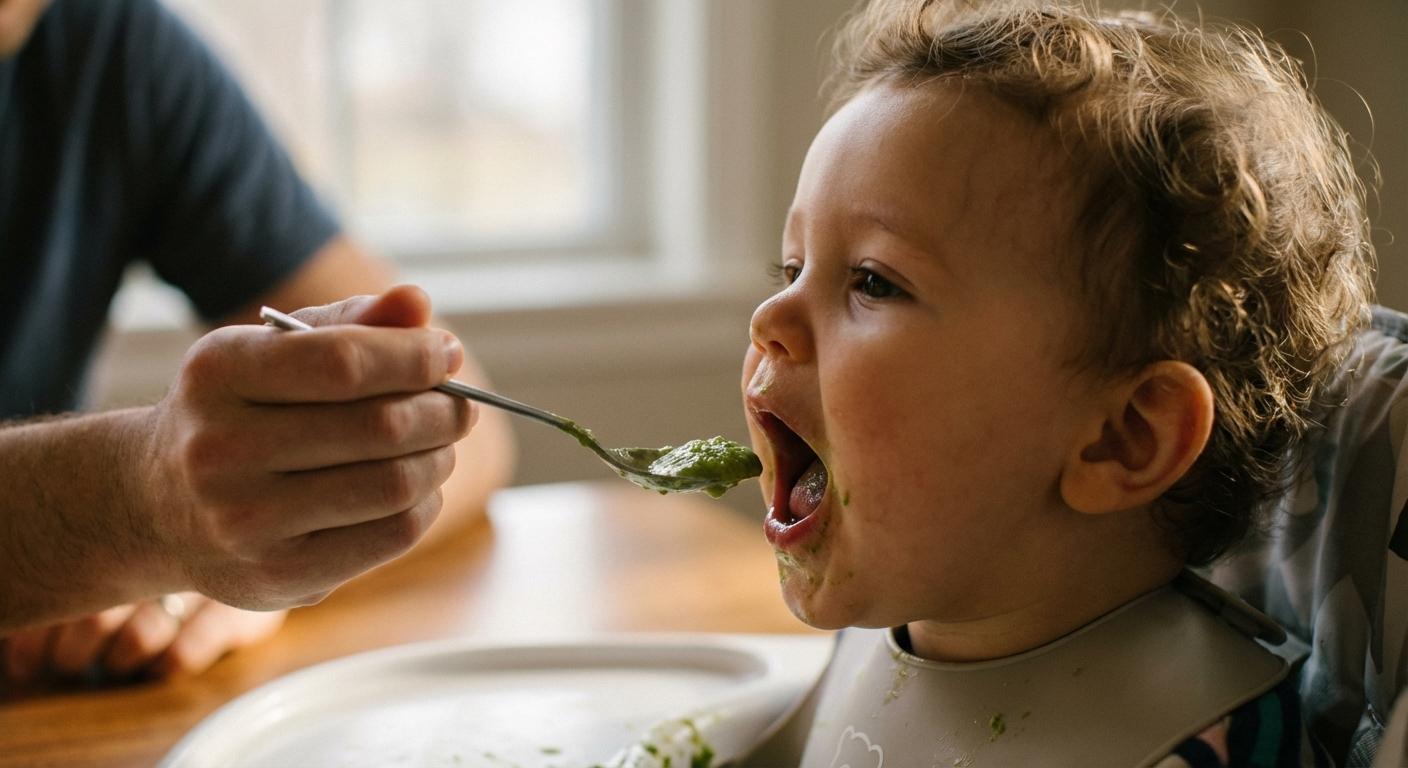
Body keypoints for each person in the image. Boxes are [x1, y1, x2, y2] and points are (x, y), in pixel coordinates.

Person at [732, 1, 1379, 765]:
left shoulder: (1197, 745)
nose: (770, 316)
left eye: (873, 281)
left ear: (1121, 438)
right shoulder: (890, 625)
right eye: (794, 268)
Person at [0, 0, 514, 685]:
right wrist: (132, 508)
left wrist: (239, 566)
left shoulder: (110, 45)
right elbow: (141, 509)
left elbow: (472, 437)